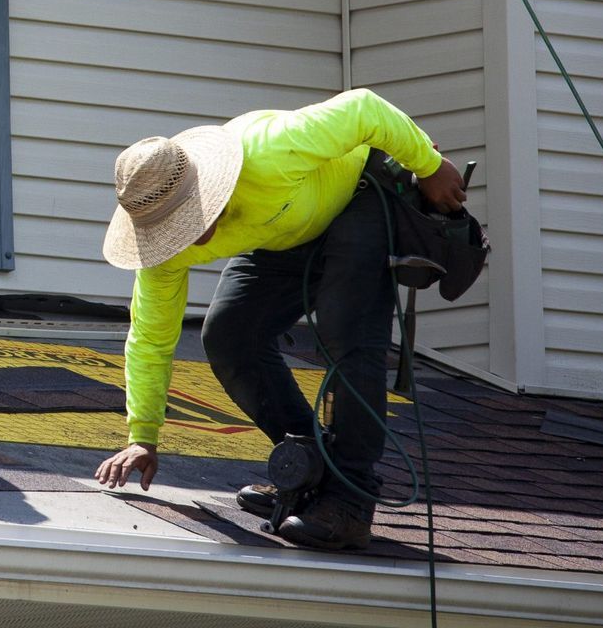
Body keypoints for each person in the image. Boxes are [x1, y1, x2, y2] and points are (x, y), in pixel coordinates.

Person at [92, 89, 468, 550]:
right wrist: (143, 436)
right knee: (230, 335)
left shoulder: (270, 148)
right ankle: (309, 468)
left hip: (357, 199)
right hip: (285, 234)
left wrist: (429, 166)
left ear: (205, 187)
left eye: (190, 220)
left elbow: (365, 109)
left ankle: (349, 499)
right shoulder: (164, 249)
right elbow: (149, 338)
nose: (189, 237)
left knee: (345, 331)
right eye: (174, 230)